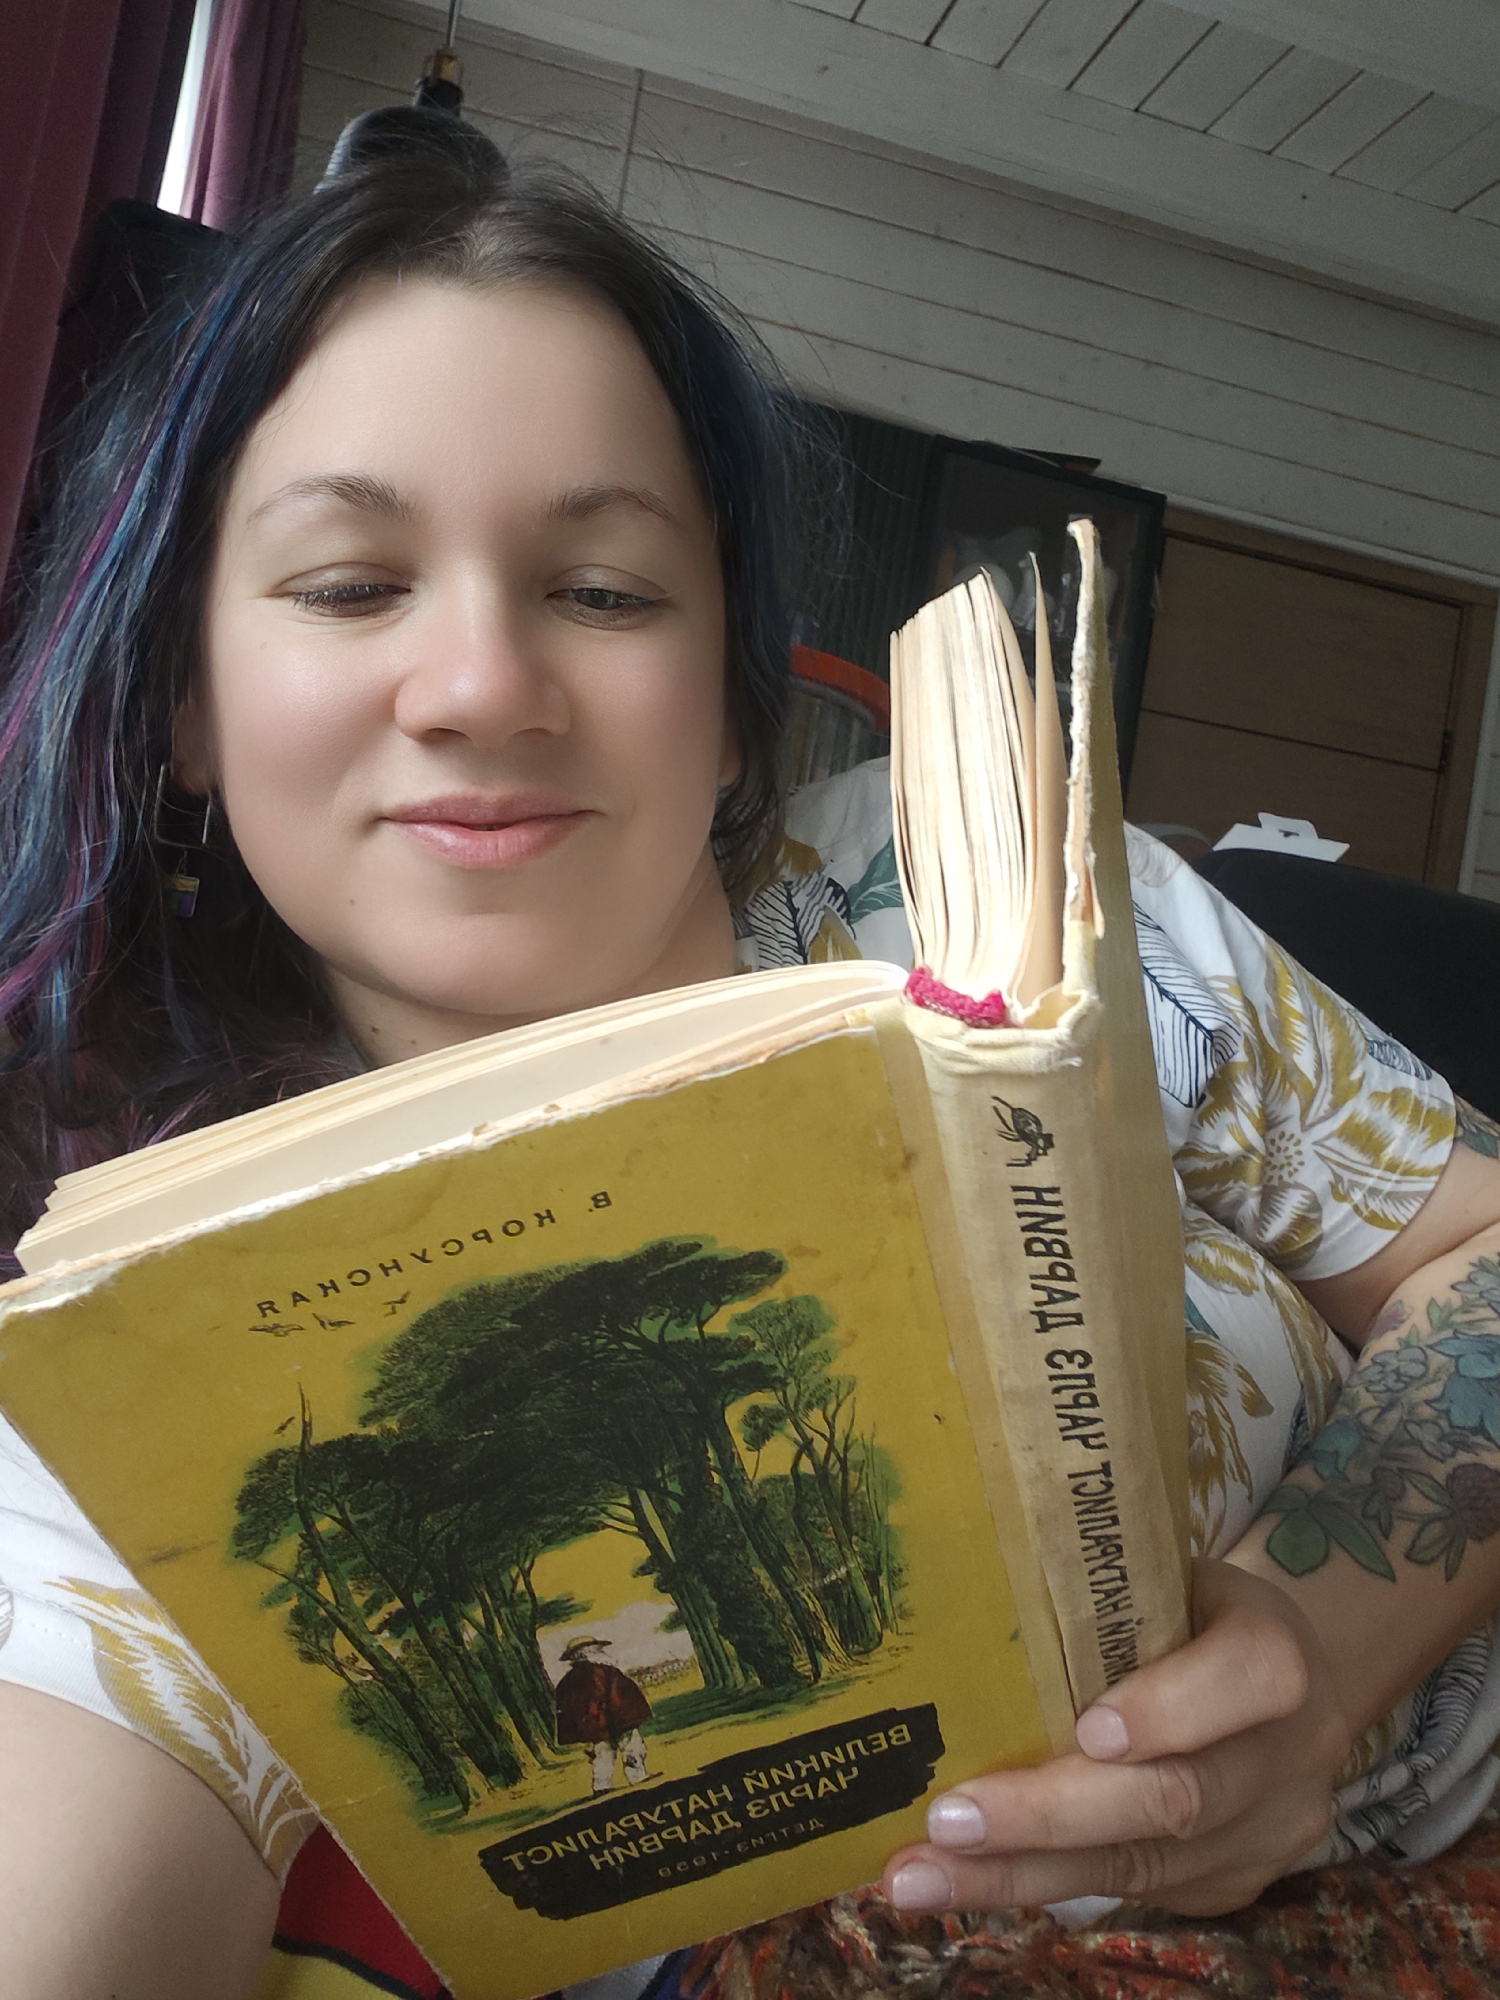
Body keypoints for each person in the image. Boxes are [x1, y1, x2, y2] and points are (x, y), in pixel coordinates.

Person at [1, 113, 1498, 2000]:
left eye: (607, 590)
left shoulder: (987, 891)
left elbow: (1479, 1250)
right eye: (349, 583)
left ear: (725, 694)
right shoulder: (165, 1324)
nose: (481, 686)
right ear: (186, 701)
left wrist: (1318, 1658)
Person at [553, 1638, 653, 1795]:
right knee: (630, 1746)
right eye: (595, 1648)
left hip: (597, 1724)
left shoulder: (568, 1680)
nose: (599, 1651)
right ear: (586, 1652)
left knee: (602, 1752)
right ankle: (637, 1777)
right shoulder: (603, 1671)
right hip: (617, 1719)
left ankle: (601, 1786)